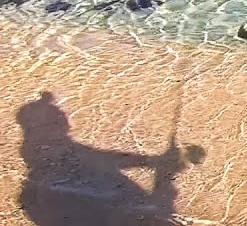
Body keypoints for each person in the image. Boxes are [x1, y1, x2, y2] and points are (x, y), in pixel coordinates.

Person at [17, 91, 205, 226]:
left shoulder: (49, 147)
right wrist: (156, 165)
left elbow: (102, 158)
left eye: (60, 118)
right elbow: (102, 159)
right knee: (156, 213)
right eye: (56, 120)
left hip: (65, 199)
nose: (65, 121)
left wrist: (153, 162)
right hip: (80, 207)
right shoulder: (46, 149)